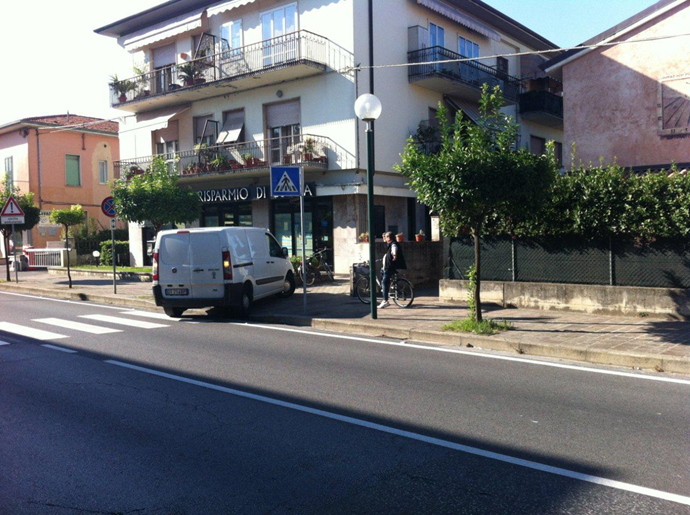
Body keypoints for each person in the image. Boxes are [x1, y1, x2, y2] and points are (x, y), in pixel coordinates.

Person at [378, 231, 406, 308]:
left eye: (386, 236)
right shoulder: (390, 244)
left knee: (384, 283)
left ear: (389, 238)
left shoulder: (393, 244)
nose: (384, 238)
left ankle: (385, 301)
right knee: (382, 274)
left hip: (389, 267)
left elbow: (394, 249)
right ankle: (386, 289)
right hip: (387, 267)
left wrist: (394, 255)